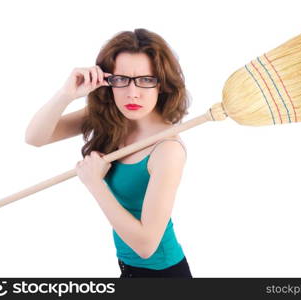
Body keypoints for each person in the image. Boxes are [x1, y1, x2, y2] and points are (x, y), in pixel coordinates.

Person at [25, 28, 192, 278]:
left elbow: (146, 245)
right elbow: (35, 138)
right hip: (127, 267)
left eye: (145, 80)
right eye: (121, 79)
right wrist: (66, 94)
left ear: (162, 84)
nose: (132, 93)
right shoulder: (112, 118)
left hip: (163, 273)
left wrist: (95, 184)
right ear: (108, 82)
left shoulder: (167, 149)